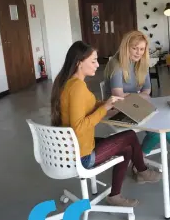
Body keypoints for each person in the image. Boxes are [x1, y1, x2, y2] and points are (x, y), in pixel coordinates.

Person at [50, 41, 161, 208]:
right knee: (130, 136)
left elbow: (87, 106)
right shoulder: (77, 87)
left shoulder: (68, 82)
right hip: (82, 156)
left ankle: (116, 194)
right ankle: (142, 170)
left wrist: (107, 103)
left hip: (69, 148)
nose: (97, 64)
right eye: (93, 61)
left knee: (127, 147)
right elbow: (79, 126)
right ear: (80, 62)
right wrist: (105, 108)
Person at [104, 30, 170, 171]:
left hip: (135, 106)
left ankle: (138, 160)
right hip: (116, 109)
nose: (138, 52)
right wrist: (139, 96)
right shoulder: (116, 64)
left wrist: (135, 96)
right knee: (159, 128)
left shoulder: (142, 63)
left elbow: (147, 90)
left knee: (160, 124)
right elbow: (118, 96)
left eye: (141, 49)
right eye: (134, 48)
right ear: (126, 47)